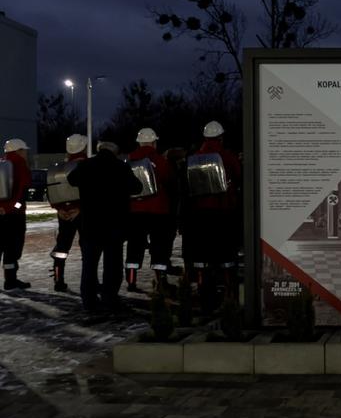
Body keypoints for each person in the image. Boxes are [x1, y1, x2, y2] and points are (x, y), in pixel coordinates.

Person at [68, 141, 142, 311]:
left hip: (90, 225)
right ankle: (109, 298)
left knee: (89, 265)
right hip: (114, 225)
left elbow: (71, 180)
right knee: (113, 265)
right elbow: (137, 187)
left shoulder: (85, 165)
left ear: (99, 150)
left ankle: (89, 301)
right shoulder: (121, 167)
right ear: (115, 152)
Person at [185, 121, 242, 306]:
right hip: (224, 213)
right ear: (221, 137)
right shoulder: (227, 156)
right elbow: (239, 177)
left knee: (202, 255)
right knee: (226, 254)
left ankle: (203, 292)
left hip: (200, 215)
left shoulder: (195, 158)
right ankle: (228, 293)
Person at [125, 128, 175, 293]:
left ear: (139, 143)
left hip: (135, 211)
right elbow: (169, 180)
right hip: (158, 210)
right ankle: (160, 282)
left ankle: (131, 281)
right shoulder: (160, 160)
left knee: (134, 246)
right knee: (160, 246)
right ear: (154, 143)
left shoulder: (130, 159)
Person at [49, 133, 88, 291]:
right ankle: (89, 281)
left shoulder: (59, 169)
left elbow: (52, 192)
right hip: (83, 212)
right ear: (83, 147)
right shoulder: (87, 165)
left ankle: (58, 280)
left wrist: (60, 210)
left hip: (63, 214)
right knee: (87, 247)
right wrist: (79, 209)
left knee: (62, 247)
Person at [0, 138, 32, 291]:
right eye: (24, 150)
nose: (26, 153)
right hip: (14, 216)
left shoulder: (2, 162)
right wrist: (14, 207)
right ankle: (10, 280)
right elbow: (23, 191)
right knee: (12, 249)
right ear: (18, 151)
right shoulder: (20, 164)